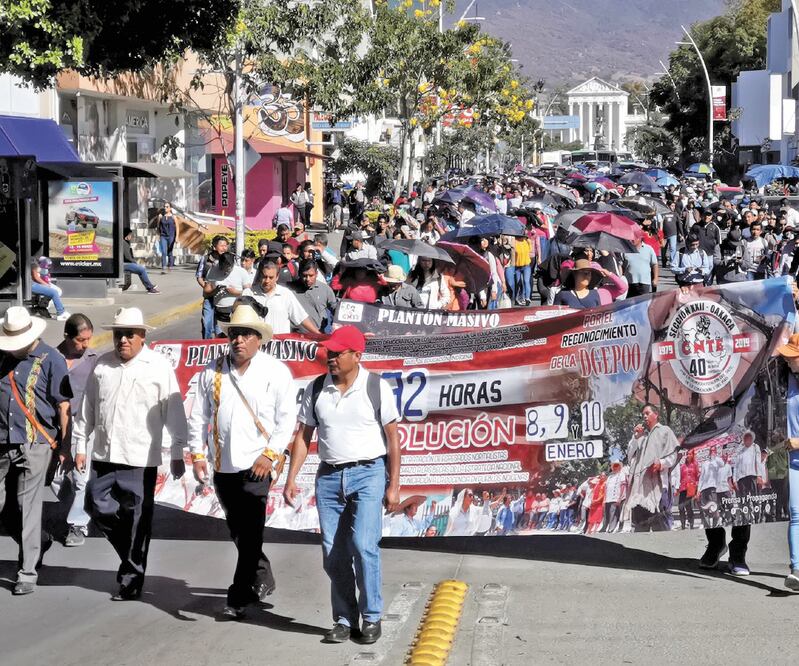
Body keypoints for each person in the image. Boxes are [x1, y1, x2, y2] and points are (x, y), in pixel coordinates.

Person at [283, 326, 400, 644]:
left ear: (356, 356)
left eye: (338, 353)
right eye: (329, 352)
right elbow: (304, 436)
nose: (330, 357)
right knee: (333, 553)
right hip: (329, 477)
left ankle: (371, 616)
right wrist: (292, 477)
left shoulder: (376, 388)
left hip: (369, 474)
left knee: (363, 546)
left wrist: (394, 485)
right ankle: (345, 619)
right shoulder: (317, 388)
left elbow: (392, 438)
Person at [188, 304, 296, 618]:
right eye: (234, 334)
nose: (239, 340)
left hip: (259, 466)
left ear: (258, 339)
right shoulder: (213, 370)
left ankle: (238, 595)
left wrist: (270, 454)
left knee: (250, 530)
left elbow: (286, 420)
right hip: (224, 466)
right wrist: (197, 454)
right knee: (239, 530)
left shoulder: (275, 371)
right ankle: (261, 573)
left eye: (246, 334)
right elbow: (199, 416)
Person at [73, 307, 187, 600]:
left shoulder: (158, 366)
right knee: (96, 505)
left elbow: (173, 411)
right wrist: (79, 445)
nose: (122, 340)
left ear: (142, 336)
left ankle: (132, 578)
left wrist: (177, 451)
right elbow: (88, 410)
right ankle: (132, 553)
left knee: (138, 518)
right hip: (104, 453)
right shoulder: (102, 366)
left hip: (139, 457)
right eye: (118, 334)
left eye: (129, 334)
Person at [0, 307, 71, 595]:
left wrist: (64, 447)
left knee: (28, 506)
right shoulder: (2, 357)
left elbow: (63, 406)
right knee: (5, 508)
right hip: (3, 441)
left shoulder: (51, 359)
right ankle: (38, 540)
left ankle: (27, 571)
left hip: (36, 443)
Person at [56, 314, 99, 547]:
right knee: (55, 478)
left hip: (82, 427)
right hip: (53, 427)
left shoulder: (94, 360)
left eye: (88, 339)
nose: (85, 345)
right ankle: (83, 503)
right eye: (80, 340)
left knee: (80, 477)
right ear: (67, 337)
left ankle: (78, 524)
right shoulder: (52, 357)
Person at [625, 404, 679, 532]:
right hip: (639, 491)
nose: (644, 416)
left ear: (656, 414)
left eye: (647, 413)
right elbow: (630, 456)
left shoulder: (665, 430)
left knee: (660, 528)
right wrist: (636, 437)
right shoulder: (641, 437)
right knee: (640, 529)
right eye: (643, 414)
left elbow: (674, 455)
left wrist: (661, 463)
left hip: (658, 487)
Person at [775, 333, 799, 590]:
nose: (789, 361)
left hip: (797, 450)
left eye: (794, 357)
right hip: (795, 462)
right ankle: (796, 571)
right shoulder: (792, 379)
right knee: (796, 515)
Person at [252, 261, 320, 335]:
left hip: (279, 344)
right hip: (256, 344)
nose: (267, 281)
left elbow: (301, 318)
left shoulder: (285, 294)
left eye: (271, 277)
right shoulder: (249, 293)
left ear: (277, 277)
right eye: (264, 277)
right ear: (260, 276)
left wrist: (319, 334)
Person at [196, 234, 229, 338]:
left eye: (225, 245)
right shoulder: (206, 259)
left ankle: (219, 348)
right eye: (221, 245)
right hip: (209, 298)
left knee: (220, 328)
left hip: (223, 298)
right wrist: (206, 288)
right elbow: (199, 276)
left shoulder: (230, 260)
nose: (224, 248)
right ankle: (206, 347)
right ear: (215, 247)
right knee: (207, 324)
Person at [293, 261, 338, 333]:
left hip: (319, 334)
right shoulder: (290, 289)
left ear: (316, 274)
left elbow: (334, 308)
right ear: (299, 273)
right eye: (304, 275)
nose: (307, 279)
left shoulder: (325, 289)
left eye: (311, 275)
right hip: (296, 336)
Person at [676, 449, 699, 529]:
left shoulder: (695, 465)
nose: (688, 456)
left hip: (691, 488)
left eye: (689, 454)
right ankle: (683, 525)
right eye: (687, 454)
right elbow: (680, 478)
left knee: (688, 507)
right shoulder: (682, 466)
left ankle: (691, 524)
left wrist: (696, 489)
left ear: (692, 455)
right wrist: (678, 489)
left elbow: (697, 477)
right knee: (681, 507)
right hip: (683, 488)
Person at [157, 202, 177, 274]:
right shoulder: (161, 216)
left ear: (170, 208)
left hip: (171, 236)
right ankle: (163, 267)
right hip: (163, 236)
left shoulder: (173, 217)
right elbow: (158, 226)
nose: (165, 208)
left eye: (167, 207)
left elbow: (177, 228)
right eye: (164, 206)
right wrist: (158, 235)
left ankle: (170, 266)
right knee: (164, 251)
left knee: (170, 252)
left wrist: (177, 237)